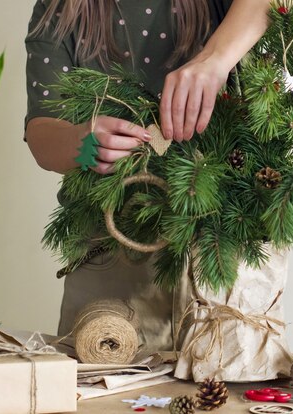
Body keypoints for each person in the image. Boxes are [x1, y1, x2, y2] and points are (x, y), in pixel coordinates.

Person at [24, 0, 271, 349]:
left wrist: (213, 61)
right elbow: (41, 133)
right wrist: (83, 143)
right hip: (109, 260)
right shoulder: (60, 9)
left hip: (220, 258)